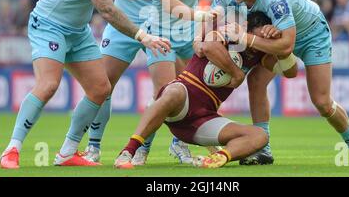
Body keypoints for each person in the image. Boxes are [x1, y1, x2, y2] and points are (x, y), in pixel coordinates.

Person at [0, 0, 174, 169]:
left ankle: (68, 152)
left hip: (77, 31)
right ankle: (12, 148)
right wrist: (143, 36)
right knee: (48, 85)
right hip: (50, 24)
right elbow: (106, 8)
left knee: (100, 89)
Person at [214, 0, 349, 164]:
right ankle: (263, 149)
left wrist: (245, 38)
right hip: (279, 35)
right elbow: (212, 20)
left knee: (322, 102)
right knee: (256, 81)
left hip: (312, 34)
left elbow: (286, 45)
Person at [122, 0, 231, 164]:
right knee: (166, 95)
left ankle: (178, 145)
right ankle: (142, 148)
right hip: (161, 32)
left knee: (192, 98)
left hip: (188, 34)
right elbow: (170, 3)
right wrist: (203, 15)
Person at [114, 12, 297, 169]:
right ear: (248, 28)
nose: (260, 41)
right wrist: (236, 73)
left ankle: (218, 158)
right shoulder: (231, 29)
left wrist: (281, 49)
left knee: (260, 136)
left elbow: (291, 72)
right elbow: (209, 46)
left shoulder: (260, 53)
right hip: (182, 103)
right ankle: (128, 151)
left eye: (266, 38)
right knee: (174, 91)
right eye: (260, 36)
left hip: (204, 119)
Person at [83, 0, 170, 165]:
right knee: (102, 86)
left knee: (165, 90)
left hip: (158, 23)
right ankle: (93, 146)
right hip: (122, 23)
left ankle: (142, 148)